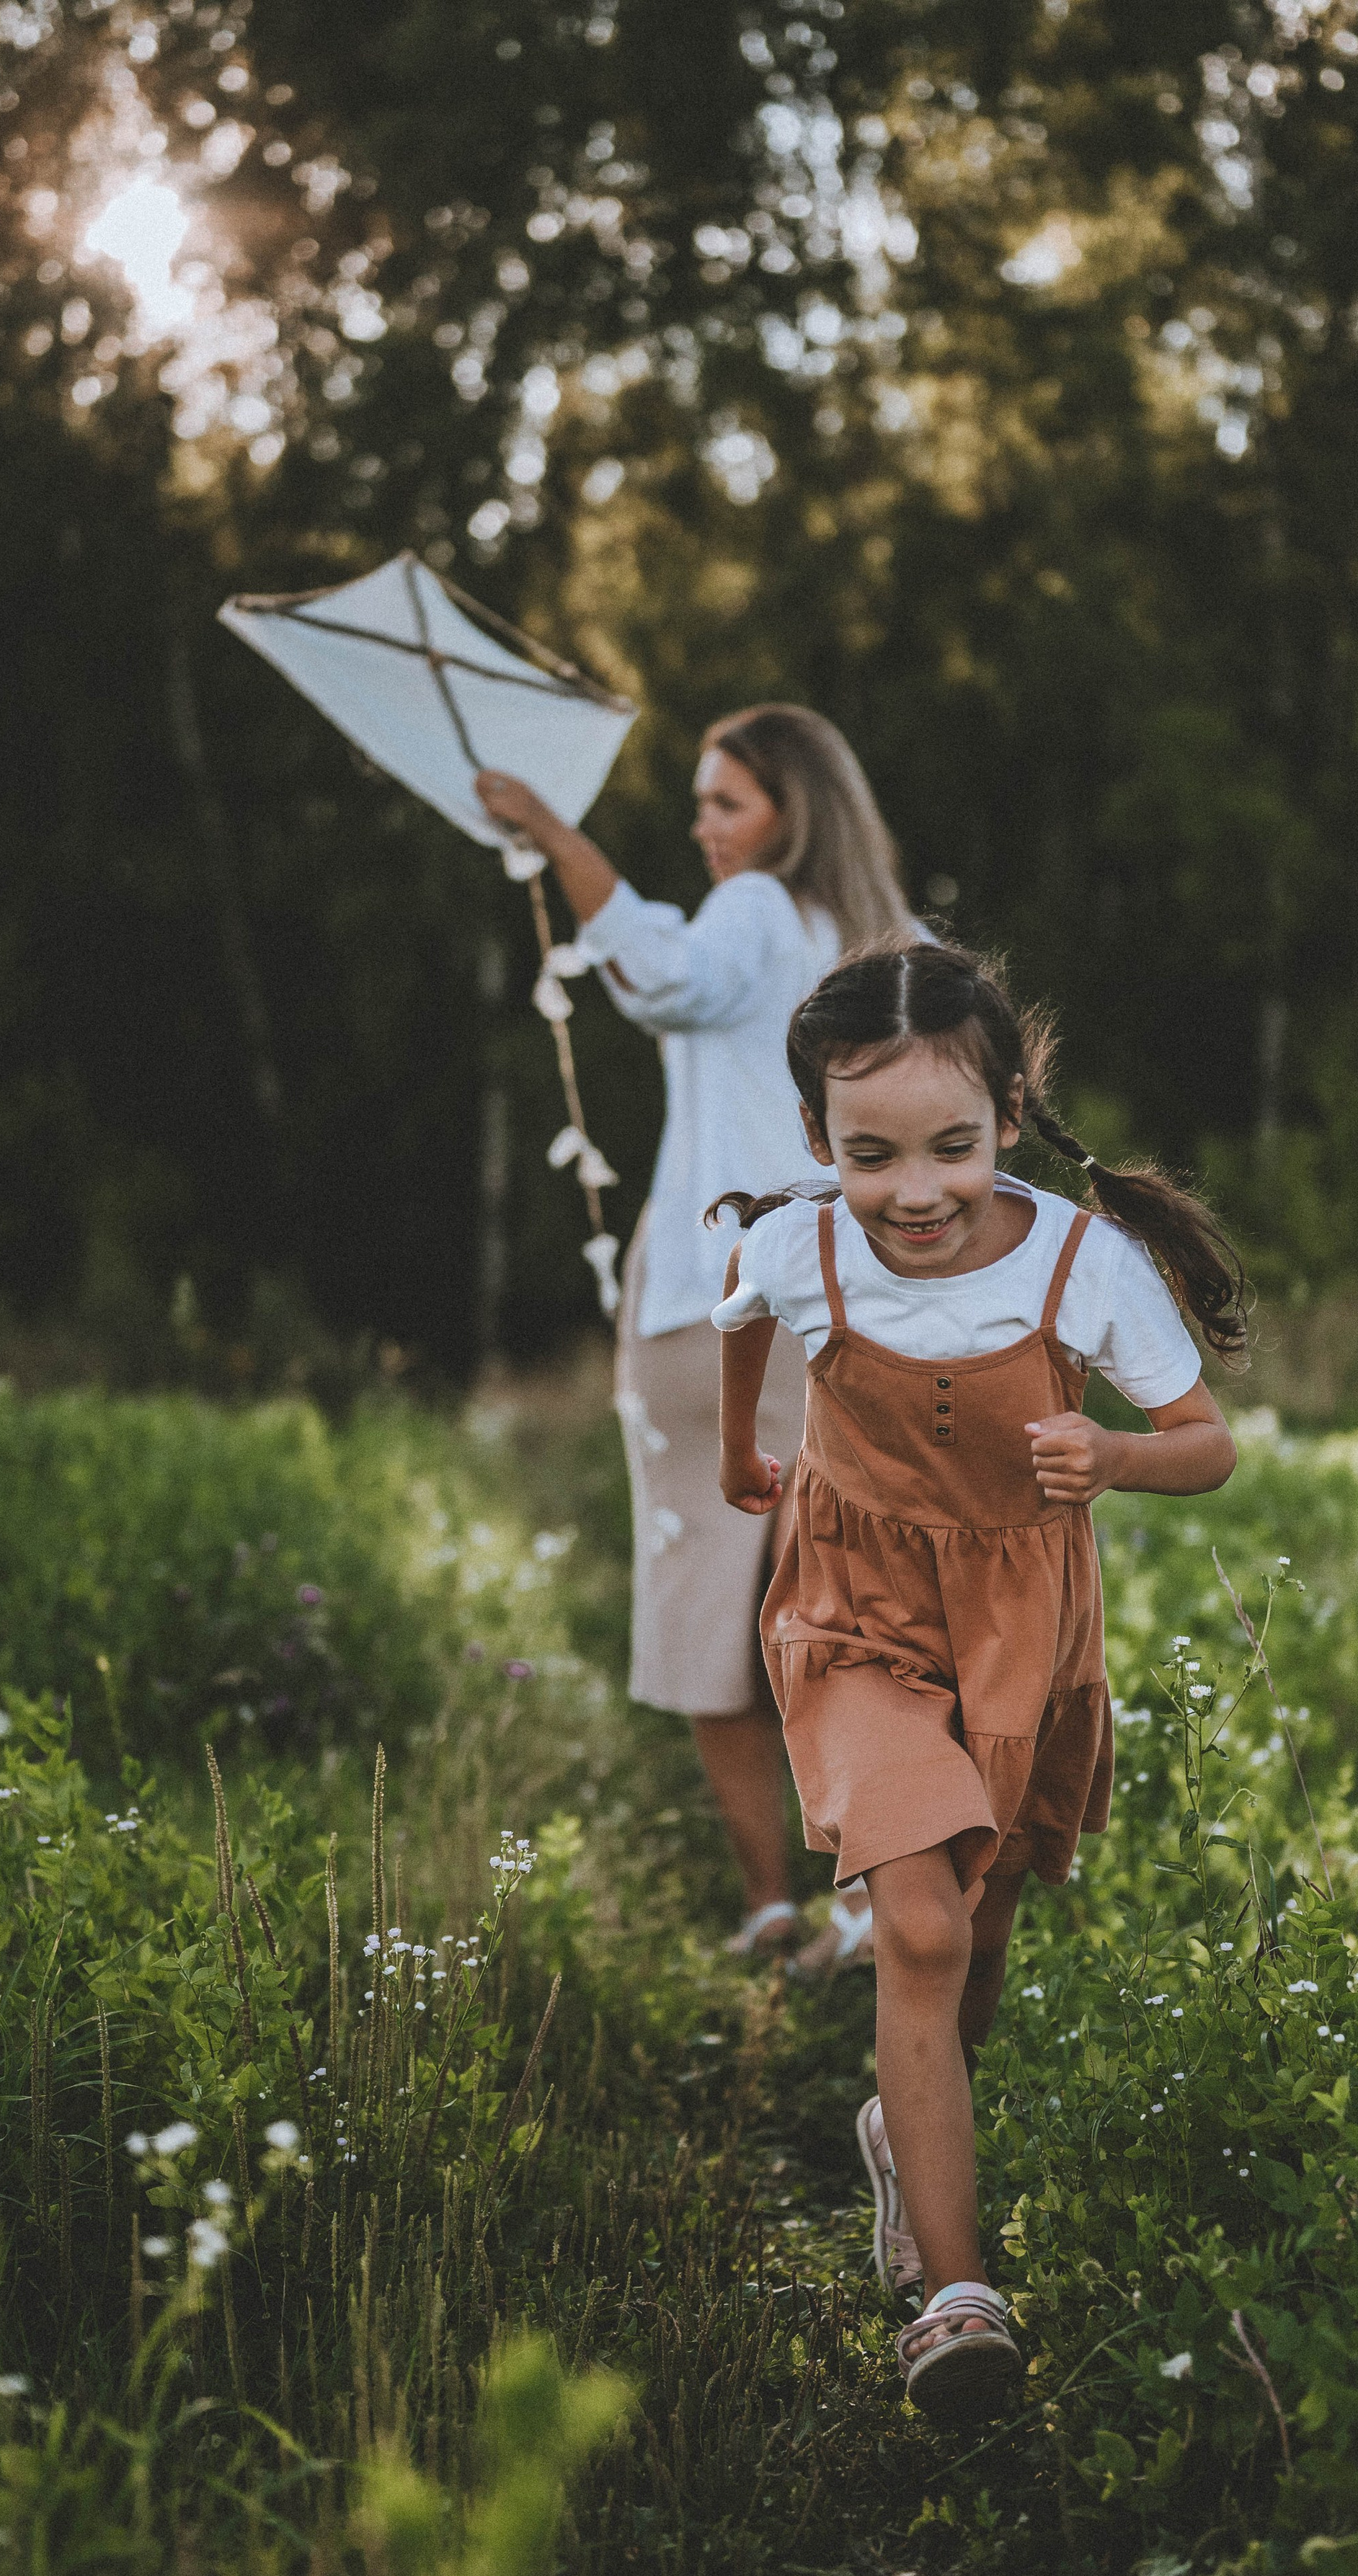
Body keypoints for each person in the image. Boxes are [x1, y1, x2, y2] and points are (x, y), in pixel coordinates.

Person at [711, 940, 1246, 2420]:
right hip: (855, 1621)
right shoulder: (801, 1247)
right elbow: (739, 1315)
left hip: (1019, 1636)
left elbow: (1206, 1443)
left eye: (952, 1146)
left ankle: (905, 2129)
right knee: (922, 1926)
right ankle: (956, 2297)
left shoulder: (1081, 1264)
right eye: (870, 1155)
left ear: (1009, 1115)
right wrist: (740, 1456)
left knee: (982, 1928)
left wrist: (1115, 1454)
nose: (917, 1190)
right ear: (818, 1138)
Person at [473, 709, 915, 1960]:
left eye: (728, 803)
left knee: (711, 1601)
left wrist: (554, 832)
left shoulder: (757, 910)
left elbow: (659, 976)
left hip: (717, 1301)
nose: (703, 825)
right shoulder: (901, 942)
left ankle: (777, 1902)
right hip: (865, 1304)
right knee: (846, 1607)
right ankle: (865, 1894)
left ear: (792, 813)